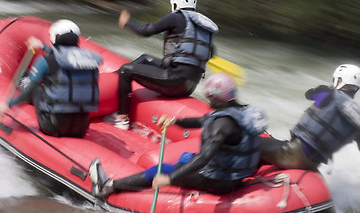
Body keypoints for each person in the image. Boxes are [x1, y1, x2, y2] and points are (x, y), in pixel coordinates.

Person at [88, 73, 268, 196]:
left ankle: (107, 187)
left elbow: (204, 157)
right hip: (234, 175)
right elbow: (201, 121)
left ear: (214, 96)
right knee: (185, 157)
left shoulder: (221, 126)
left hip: (220, 181)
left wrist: (170, 178)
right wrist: (175, 121)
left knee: (157, 170)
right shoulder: (238, 111)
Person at [108, 0, 219, 130]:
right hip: (189, 86)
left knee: (126, 70)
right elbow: (209, 53)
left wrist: (127, 23)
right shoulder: (203, 27)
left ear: (175, 4)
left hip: (173, 82)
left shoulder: (176, 18)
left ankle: (122, 119)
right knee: (145, 59)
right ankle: (111, 81)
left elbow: (146, 30)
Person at [7, 19, 103, 138]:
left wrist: (10, 104)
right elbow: (62, 59)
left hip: (52, 126)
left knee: (35, 87)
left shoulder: (44, 61)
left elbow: (28, 93)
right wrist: (43, 47)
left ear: (55, 37)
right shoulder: (91, 62)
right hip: (80, 129)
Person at [260, 64, 360, 171]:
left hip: (292, 155)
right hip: (312, 164)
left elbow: (309, 94)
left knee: (246, 142)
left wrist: (324, 89)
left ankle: (239, 181)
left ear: (339, 80)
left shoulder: (329, 93)